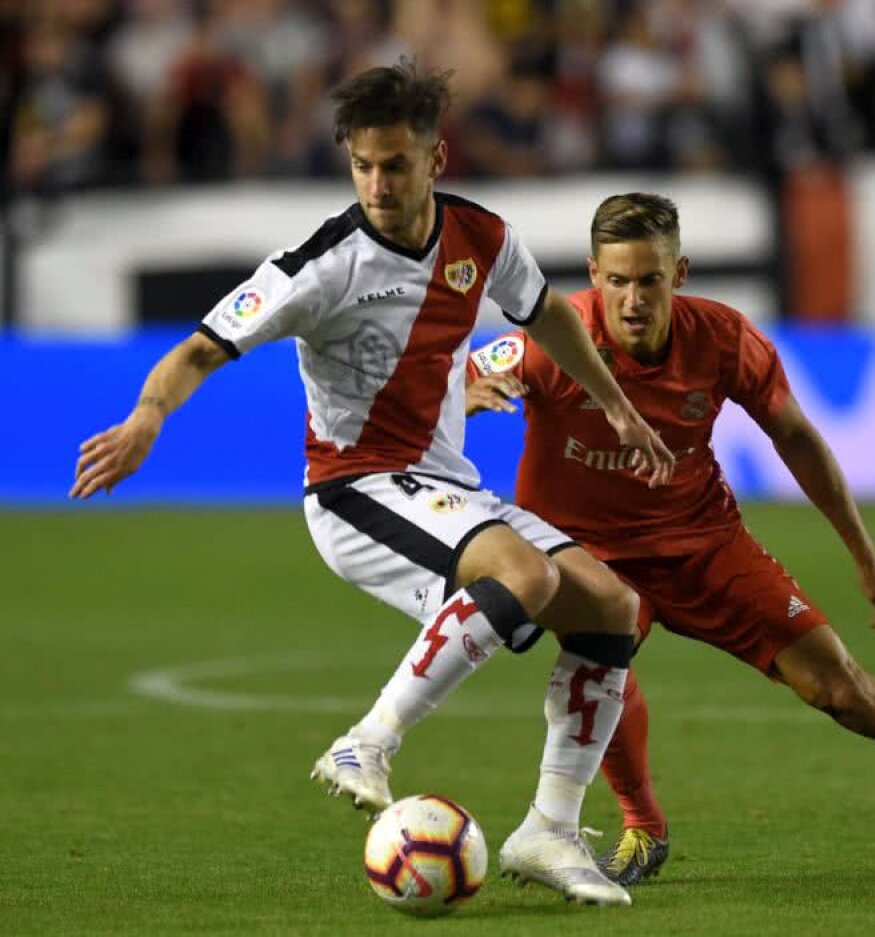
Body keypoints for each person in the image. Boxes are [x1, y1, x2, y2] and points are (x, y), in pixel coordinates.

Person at [69, 62, 677, 909]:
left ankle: (550, 827)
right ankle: (369, 742)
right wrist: (146, 416)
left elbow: (547, 316)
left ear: (437, 157)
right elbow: (203, 346)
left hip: (443, 485)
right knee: (524, 576)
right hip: (354, 490)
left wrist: (615, 406)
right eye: (363, 165)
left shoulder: (484, 240)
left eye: (396, 164)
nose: (379, 183)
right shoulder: (321, 265)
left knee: (612, 607)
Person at [466, 192, 875, 885]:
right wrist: (461, 395)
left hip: (702, 544)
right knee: (598, 669)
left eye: (649, 279)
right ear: (593, 274)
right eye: (617, 280)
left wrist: (864, 552)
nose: (633, 298)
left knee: (844, 688)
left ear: (680, 273)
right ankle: (642, 825)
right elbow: (460, 374)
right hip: (589, 554)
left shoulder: (724, 339)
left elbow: (795, 436)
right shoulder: (555, 336)